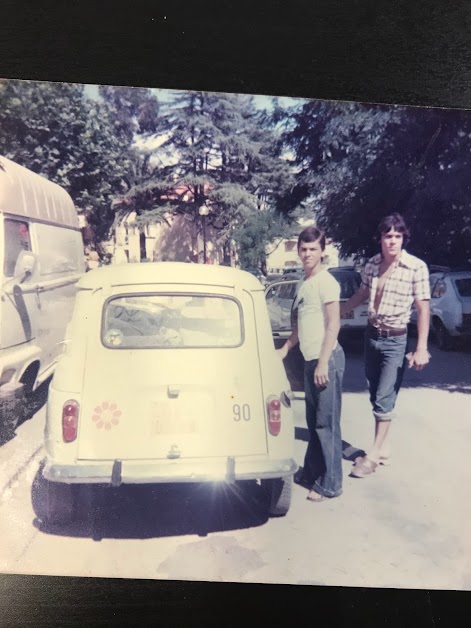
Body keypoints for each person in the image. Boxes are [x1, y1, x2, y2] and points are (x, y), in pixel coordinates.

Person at [340, 213, 431, 478]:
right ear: (380, 238)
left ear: (403, 238)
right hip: (372, 335)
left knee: (383, 398)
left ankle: (373, 455)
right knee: (374, 392)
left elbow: (423, 309)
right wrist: (340, 311)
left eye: (397, 236)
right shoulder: (372, 264)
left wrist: (422, 347)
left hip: (395, 339)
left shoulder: (416, 267)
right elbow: (362, 293)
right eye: (387, 236)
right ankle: (384, 447)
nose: (392, 241)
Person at [277, 226, 345, 502]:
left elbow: (333, 324)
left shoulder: (327, 282)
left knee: (326, 425)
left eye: (313, 249)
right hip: (310, 360)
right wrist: (285, 348)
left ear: (322, 251)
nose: (307, 253)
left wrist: (323, 363)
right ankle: (310, 473)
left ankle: (331, 483)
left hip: (325, 360)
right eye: (303, 249)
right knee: (314, 421)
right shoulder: (305, 284)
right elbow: (302, 327)